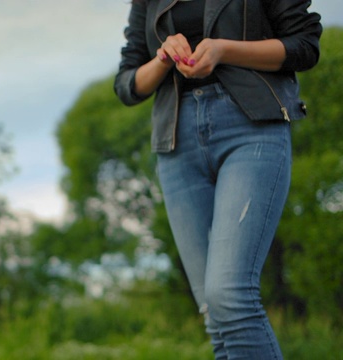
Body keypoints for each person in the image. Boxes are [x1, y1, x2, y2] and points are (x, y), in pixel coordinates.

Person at [114, 0, 322, 358]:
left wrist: (224, 49)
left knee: (229, 297)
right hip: (177, 143)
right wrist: (163, 58)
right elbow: (127, 84)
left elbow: (304, 45)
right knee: (216, 317)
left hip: (251, 127)